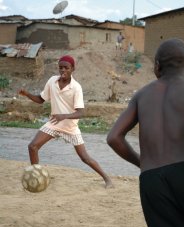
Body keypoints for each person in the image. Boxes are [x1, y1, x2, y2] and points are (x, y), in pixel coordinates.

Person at [107, 38, 184, 227]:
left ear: (157, 67)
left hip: (151, 182)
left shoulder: (141, 95)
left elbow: (114, 138)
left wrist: (143, 163)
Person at [19, 55, 113, 188]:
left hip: (70, 128)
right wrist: (27, 94)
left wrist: (64, 116)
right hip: (54, 123)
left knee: (85, 158)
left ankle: (107, 179)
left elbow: (81, 112)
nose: (63, 70)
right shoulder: (52, 81)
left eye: (66, 68)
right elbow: (41, 99)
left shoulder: (76, 87)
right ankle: (37, 177)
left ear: (72, 69)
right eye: (60, 67)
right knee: (32, 147)